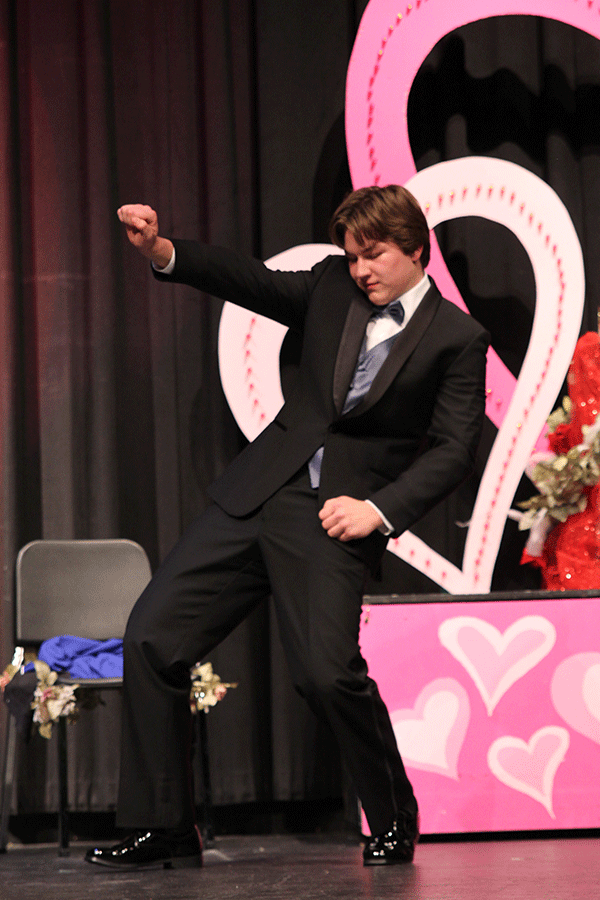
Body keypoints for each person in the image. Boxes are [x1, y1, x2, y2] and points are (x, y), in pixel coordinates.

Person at [85, 185, 489, 870]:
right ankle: (166, 827)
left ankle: (393, 816)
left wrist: (378, 510)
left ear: (416, 249)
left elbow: (453, 448)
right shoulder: (333, 287)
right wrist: (162, 251)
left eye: (375, 255)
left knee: (328, 677)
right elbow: (248, 280)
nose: (362, 269)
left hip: (337, 517)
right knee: (153, 636)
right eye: (353, 256)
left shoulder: (456, 337)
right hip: (259, 491)